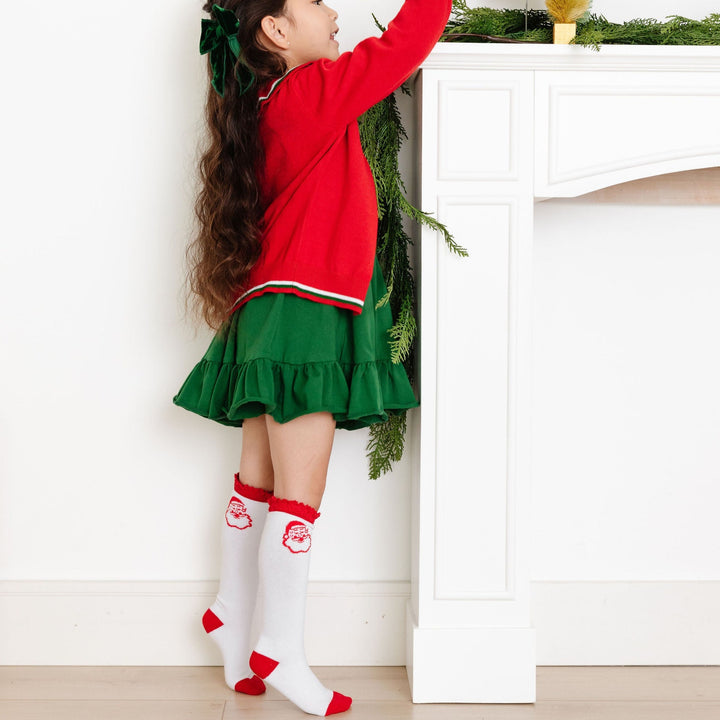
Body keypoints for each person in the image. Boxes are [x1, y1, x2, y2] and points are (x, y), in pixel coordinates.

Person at [173, 0, 452, 715]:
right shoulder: (309, 93)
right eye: (317, 2)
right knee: (300, 495)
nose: (335, 14)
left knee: (258, 479)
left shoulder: (261, 101)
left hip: (267, 311)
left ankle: (234, 616)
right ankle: (282, 649)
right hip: (303, 314)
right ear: (274, 29)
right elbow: (405, 45)